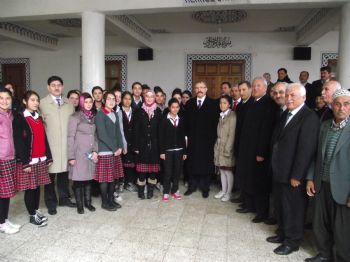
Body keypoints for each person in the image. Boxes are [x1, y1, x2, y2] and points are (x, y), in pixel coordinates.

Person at [267, 83, 319, 255]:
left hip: (294, 175)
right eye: (287, 95)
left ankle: (292, 241)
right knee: (281, 206)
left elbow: (306, 150)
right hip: (280, 170)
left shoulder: (309, 117)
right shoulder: (286, 114)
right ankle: (282, 233)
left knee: (293, 209)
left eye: (293, 96)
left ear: (303, 98)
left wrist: (297, 175)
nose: (288, 98)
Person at [305, 89, 350, 262]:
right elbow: (315, 155)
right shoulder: (324, 126)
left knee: (342, 228)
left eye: (346, 104)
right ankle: (324, 253)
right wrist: (310, 178)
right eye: (338, 104)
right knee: (320, 222)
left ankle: (341, 257)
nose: (341, 108)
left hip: (343, 188)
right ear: (332, 106)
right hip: (321, 183)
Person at [235, 77, 277, 223]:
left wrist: (261, 152)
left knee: (259, 182)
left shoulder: (269, 104)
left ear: (266, 88)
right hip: (247, 148)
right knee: (247, 177)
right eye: (254, 86)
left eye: (259, 86)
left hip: (258, 151)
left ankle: (261, 212)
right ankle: (249, 205)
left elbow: (266, 131)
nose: (256, 88)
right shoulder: (251, 103)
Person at [13, 91, 53, 227]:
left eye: (37, 100)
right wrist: (25, 163)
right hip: (29, 161)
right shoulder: (20, 118)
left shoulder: (38, 117)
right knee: (30, 189)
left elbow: (44, 139)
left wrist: (48, 156)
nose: (36, 103)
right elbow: (18, 142)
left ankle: (35, 210)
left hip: (41, 159)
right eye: (32, 100)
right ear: (25, 102)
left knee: (37, 188)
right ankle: (32, 215)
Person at [39, 76, 76, 215]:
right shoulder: (42, 104)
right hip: (50, 147)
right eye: (53, 85)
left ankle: (64, 199)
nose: (56, 87)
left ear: (63, 86)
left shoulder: (69, 104)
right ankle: (51, 203)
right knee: (49, 178)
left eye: (59, 85)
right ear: (48, 87)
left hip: (66, 146)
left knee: (64, 175)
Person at [184, 81, 218, 198]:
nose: (200, 89)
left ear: (206, 89)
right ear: (194, 89)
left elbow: (215, 124)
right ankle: (192, 186)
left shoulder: (213, 104)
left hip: (207, 141)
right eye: (197, 87)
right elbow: (186, 123)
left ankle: (205, 188)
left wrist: (212, 139)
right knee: (192, 164)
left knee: (206, 164)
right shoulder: (189, 103)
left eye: (202, 87)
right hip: (193, 140)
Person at [67, 93, 98, 214]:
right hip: (78, 153)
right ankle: (80, 205)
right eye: (86, 102)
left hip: (90, 153)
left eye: (90, 102)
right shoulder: (75, 117)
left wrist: (95, 150)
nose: (89, 104)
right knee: (79, 180)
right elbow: (70, 137)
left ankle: (88, 203)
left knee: (89, 179)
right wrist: (71, 156)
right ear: (81, 103)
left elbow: (95, 135)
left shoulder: (93, 116)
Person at [94, 91, 124, 211]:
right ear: (104, 101)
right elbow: (102, 135)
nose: (112, 101)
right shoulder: (100, 115)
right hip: (105, 151)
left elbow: (118, 133)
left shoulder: (114, 114)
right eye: (109, 99)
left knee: (113, 178)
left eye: (113, 99)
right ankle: (105, 202)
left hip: (115, 151)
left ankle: (111, 200)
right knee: (105, 180)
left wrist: (120, 147)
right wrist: (115, 148)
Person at [133, 90, 162, 199]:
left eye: (151, 96)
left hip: (155, 146)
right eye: (147, 96)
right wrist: (135, 146)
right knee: (141, 171)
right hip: (142, 145)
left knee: (153, 172)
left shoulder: (158, 112)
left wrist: (160, 147)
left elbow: (160, 131)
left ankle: (150, 191)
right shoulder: (138, 111)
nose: (149, 98)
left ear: (154, 98)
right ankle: (141, 191)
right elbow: (135, 130)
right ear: (144, 97)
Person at [0, 88, 20, 234]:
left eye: (7, 98)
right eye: (1, 98)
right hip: (1, 158)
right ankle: (1, 223)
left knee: (6, 192)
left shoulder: (10, 115)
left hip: (10, 157)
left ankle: (4, 219)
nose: (5, 101)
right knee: (2, 192)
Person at [159, 98, 187, 201]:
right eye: (173, 107)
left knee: (177, 171)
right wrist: (162, 152)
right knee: (167, 172)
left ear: (179, 108)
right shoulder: (164, 120)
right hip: (168, 151)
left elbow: (183, 136)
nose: (175, 109)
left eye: (177, 107)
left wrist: (184, 151)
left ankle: (175, 190)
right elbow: (161, 137)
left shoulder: (181, 120)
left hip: (179, 150)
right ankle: (166, 191)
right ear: (169, 108)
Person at [232, 81, 254, 204]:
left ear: (250, 90)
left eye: (244, 89)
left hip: (248, 145)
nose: (241, 92)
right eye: (239, 90)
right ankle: (242, 196)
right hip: (239, 142)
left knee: (247, 174)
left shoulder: (252, 104)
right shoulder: (240, 106)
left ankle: (247, 200)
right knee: (240, 172)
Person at [214, 95, 236, 202]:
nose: (222, 105)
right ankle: (223, 190)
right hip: (219, 147)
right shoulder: (221, 115)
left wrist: (228, 150)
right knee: (222, 170)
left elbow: (231, 135)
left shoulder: (232, 116)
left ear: (229, 104)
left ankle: (228, 193)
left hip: (227, 148)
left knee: (228, 171)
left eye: (224, 103)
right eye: (220, 103)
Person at [120, 91, 137, 192]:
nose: (127, 101)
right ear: (122, 99)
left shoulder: (135, 111)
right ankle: (122, 183)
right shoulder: (118, 112)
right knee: (122, 164)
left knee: (131, 164)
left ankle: (130, 183)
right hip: (122, 142)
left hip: (133, 142)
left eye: (129, 99)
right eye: (125, 98)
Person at [113, 89, 127, 197]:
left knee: (117, 167)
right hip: (108, 145)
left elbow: (121, 129)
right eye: (115, 96)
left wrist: (123, 144)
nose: (117, 98)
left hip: (118, 143)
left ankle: (116, 188)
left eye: (119, 96)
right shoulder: (105, 110)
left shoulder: (120, 111)